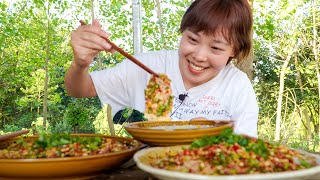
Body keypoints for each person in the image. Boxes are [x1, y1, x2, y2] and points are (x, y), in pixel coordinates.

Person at [65, 0, 259, 137]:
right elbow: (79, 89)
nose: (199, 56)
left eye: (216, 48)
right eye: (192, 39)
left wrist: (214, 137)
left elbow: (245, 150)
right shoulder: (148, 65)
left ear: (234, 50)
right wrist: (80, 64)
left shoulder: (237, 86)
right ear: (183, 32)